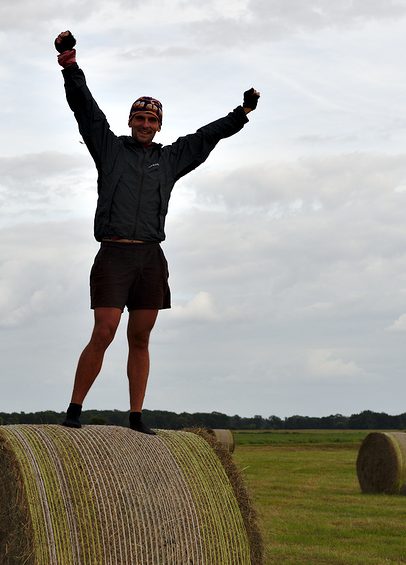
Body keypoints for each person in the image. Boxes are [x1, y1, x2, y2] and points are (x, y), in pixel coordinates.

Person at [55, 30, 259, 434]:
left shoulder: (169, 160)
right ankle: (74, 412)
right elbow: (85, 110)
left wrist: (242, 113)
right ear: (130, 121)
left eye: (152, 120)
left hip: (151, 258)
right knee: (105, 330)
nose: (145, 124)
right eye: (139, 118)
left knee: (141, 337)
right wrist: (70, 64)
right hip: (114, 254)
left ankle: (136, 418)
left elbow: (206, 137)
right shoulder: (109, 149)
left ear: (159, 125)